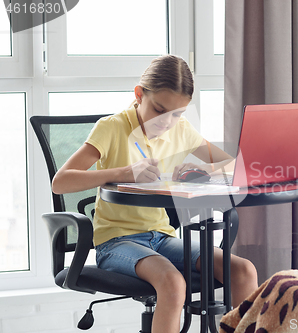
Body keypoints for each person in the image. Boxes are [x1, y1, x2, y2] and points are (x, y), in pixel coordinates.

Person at [51, 55, 258, 333]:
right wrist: (121, 173)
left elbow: (231, 165)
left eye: (177, 114)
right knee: (172, 282)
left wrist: (201, 171)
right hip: (116, 242)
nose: (167, 122)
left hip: (161, 237)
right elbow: (61, 182)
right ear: (139, 94)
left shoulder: (180, 130)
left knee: (243, 271)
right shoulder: (112, 127)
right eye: (159, 110)